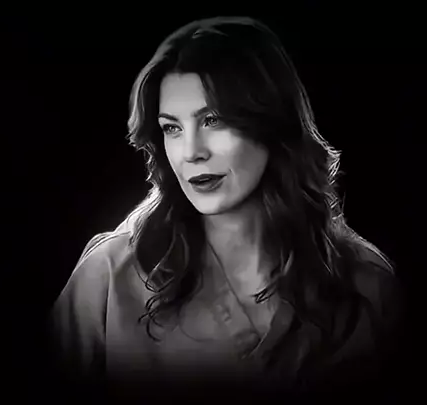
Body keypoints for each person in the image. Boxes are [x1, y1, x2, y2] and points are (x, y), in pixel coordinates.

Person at [49, 16, 405, 397]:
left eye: (213, 120)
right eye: (172, 128)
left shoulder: (368, 286)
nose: (191, 152)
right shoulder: (107, 278)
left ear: (271, 122)